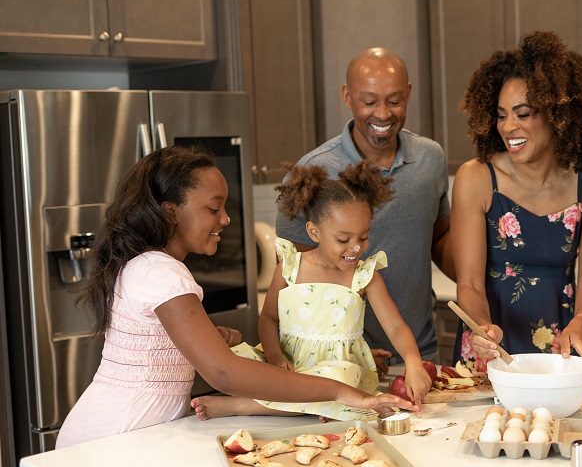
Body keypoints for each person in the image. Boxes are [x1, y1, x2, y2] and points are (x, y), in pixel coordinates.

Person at [56, 146, 417, 448]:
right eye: (214, 209)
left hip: (132, 432)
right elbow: (224, 372)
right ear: (170, 213)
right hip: (108, 439)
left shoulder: (151, 266)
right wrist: (340, 393)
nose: (226, 219)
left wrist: (210, 337)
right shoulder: (161, 272)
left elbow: (159, 346)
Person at [191, 161, 432, 421]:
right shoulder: (290, 267)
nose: (356, 248)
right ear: (313, 231)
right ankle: (321, 405)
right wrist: (273, 357)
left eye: (364, 237)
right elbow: (268, 319)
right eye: (343, 239)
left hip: (335, 373)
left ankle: (241, 406)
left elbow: (395, 327)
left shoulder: (365, 276)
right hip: (289, 365)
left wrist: (413, 362)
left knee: (339, 379)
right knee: (236, 360)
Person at [452, 30, 582, 366]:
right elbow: (471, 282)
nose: (509, 127)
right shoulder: (476, 179)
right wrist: (480, 328)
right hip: (491, 346)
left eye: (523, 114)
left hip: (560, 344)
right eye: (502, 115)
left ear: (558, 114)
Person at [275, 47, 454, 373]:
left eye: (395, 101)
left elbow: (441, 239)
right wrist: (348, 345)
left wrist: (483, 283)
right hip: (340, 361)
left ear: (409, 93)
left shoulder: (431, 159)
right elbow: (297, 282)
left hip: (420, 352)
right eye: (369, 101)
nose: (383, 114)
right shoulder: (312, 171)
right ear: (347, 96)